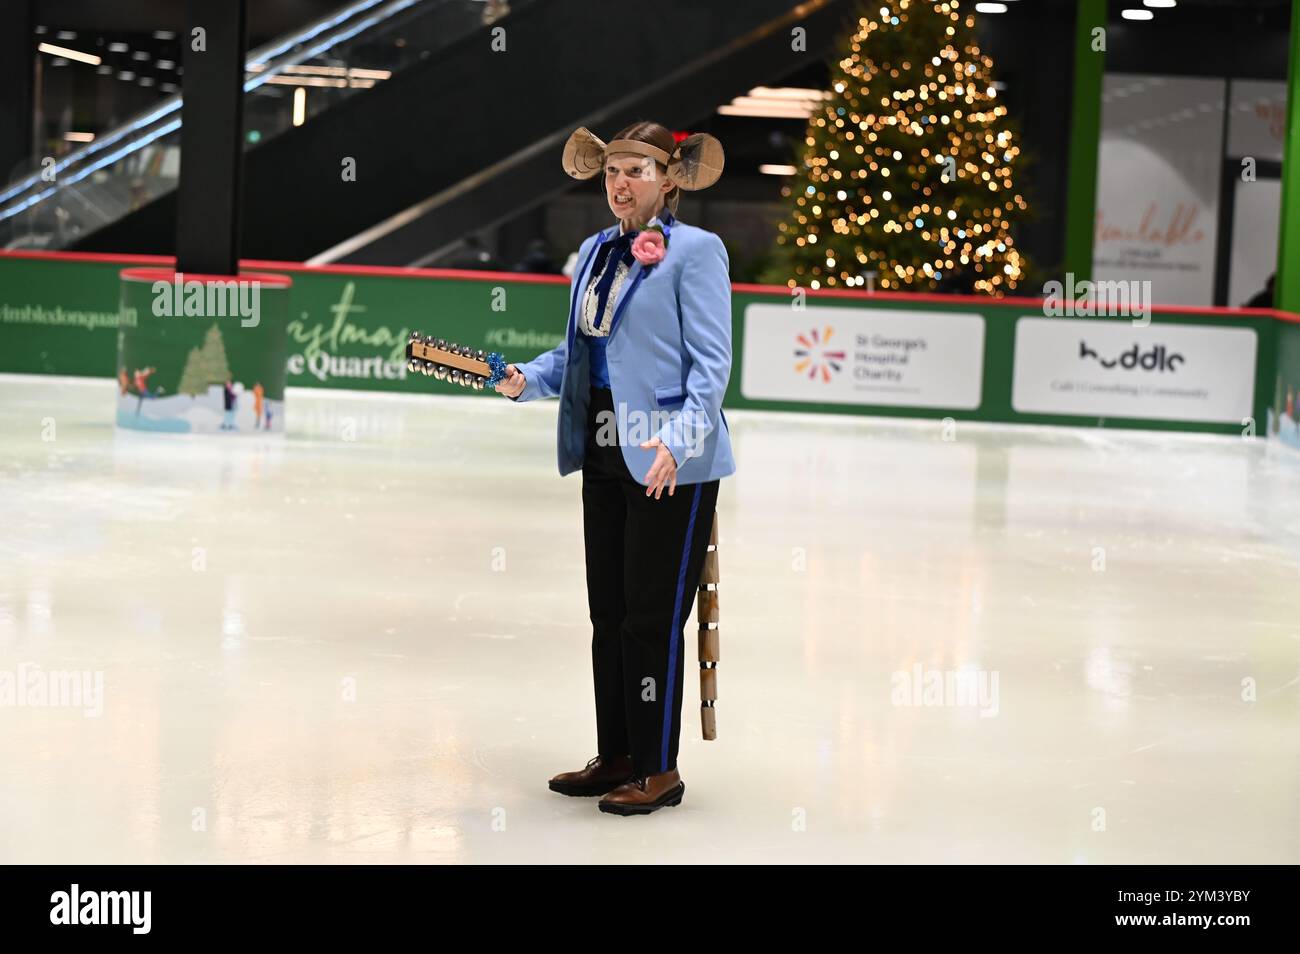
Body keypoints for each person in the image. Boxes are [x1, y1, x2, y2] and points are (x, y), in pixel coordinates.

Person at [495, 121, 734, 816]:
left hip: (669, 459)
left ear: (669, 179)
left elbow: (712, 367)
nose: (620, 184)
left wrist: (680, 441)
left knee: (652, 618)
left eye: (635, 171)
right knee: (610, 613)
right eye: (611, 173)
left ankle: (659, 769)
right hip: (603, 447)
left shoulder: (697, 252)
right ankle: (619, 755)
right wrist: (524, 379)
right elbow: (578, 355)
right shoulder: (594, 251)